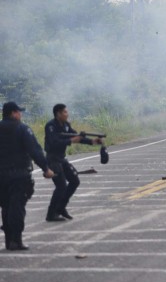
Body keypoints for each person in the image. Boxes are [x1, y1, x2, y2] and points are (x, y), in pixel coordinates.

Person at [0, 102, 54, 250]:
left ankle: (8, 240)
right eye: (19, 112)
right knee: (17, 207)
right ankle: (16, 240)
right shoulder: (22, 129)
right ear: (12, 113)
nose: (20, 115)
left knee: (6, 206)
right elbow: (35, 150)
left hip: (1, 176)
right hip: (19, 175)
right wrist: (46, 168)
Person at [44, 104, 102, 222]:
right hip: (52, 159)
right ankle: (51, 214)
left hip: (61, 158)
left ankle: (60, 208)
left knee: (74, 181)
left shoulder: (66, 125)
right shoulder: (50, 126)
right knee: (61, 186)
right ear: (58, 114)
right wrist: (70, 141)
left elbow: (76, 137)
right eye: (65, 112)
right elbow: (54, 142)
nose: (67, 114)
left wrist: (92, 141)